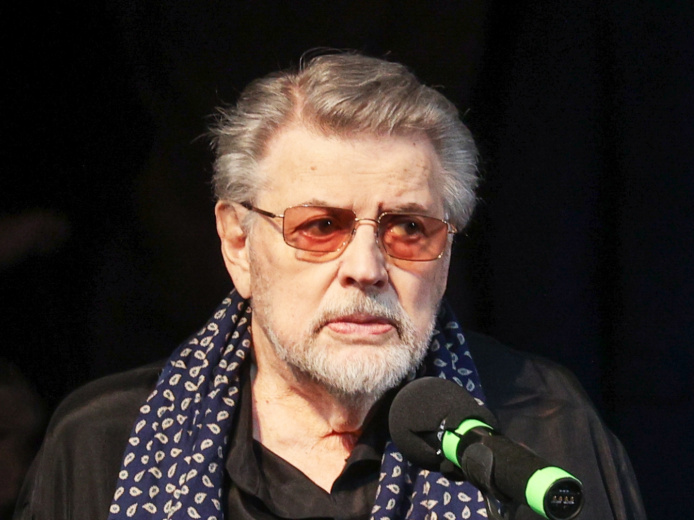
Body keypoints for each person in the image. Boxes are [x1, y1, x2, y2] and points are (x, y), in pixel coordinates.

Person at [14, 52, 645, 520]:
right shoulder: (106, 443)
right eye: (320, 226)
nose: (366, 267)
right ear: (238, 243)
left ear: (448, 249)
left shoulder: (541, 427)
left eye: (408, 228)